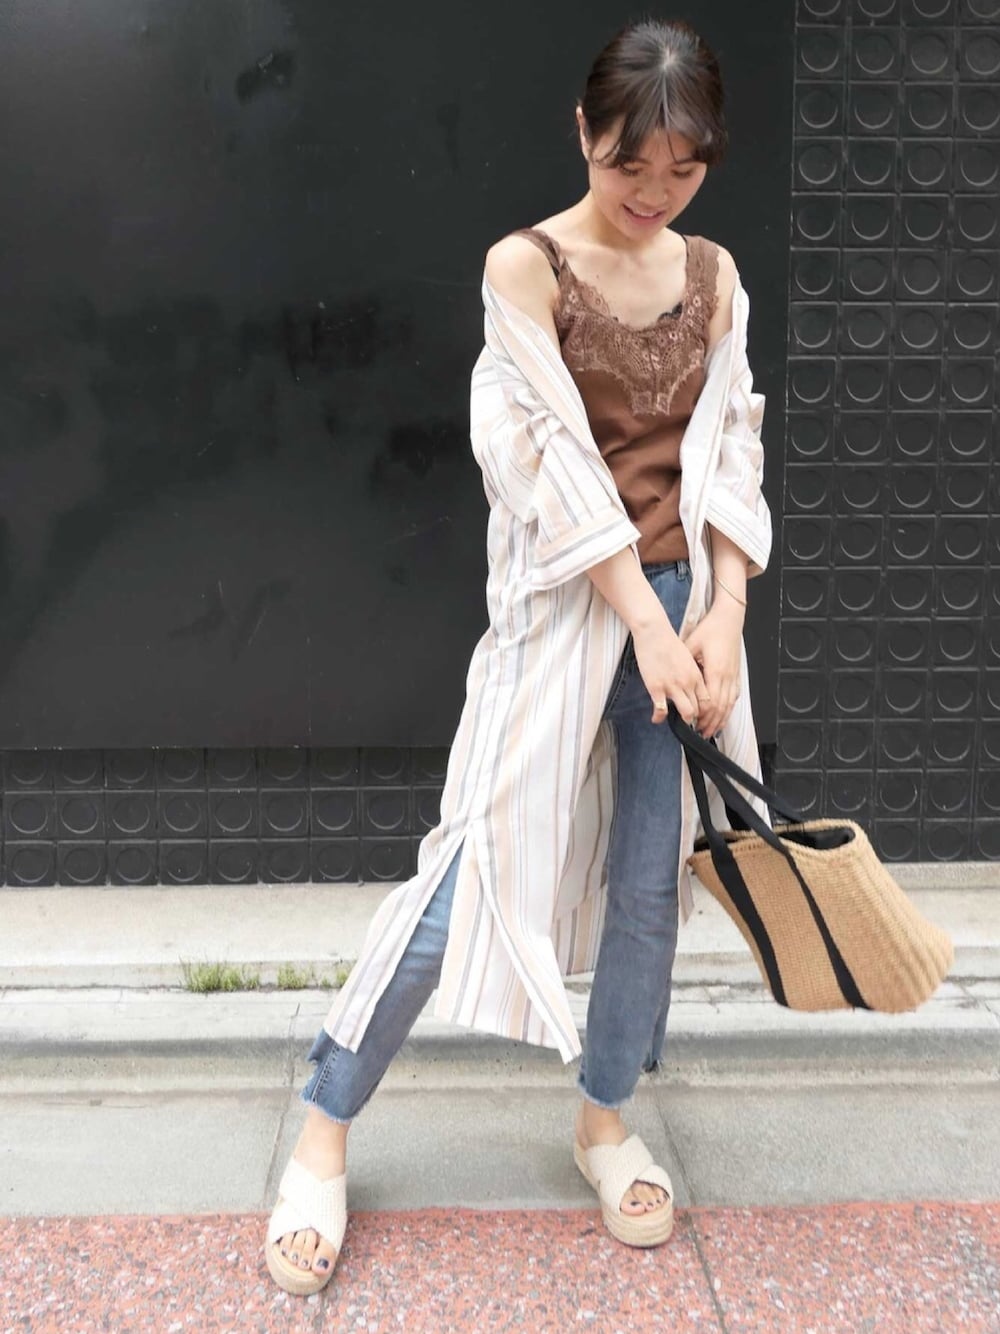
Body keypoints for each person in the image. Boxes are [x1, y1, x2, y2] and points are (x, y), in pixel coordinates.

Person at [264, 16, 771, 1295]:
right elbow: (543, 465)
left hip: (683, 615)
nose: (653, 194)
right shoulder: (525, 267)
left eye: (682, 171)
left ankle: (604, 1119)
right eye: (628, 165)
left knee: (648, 885)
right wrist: (645, 618)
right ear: (582, 132)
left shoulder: (715, 275)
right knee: (469, 871)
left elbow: (732, 447)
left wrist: (720, 611)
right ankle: (323, 1120)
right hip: (568, 611)